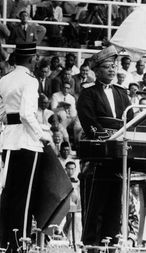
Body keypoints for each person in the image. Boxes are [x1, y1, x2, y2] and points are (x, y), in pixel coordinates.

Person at [0, 43, 53, 252]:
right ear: (30, 59)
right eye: (35, 57)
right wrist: (42, 135)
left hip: (9, 141)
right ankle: (21, 243)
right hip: (27, 142)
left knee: (10, 192)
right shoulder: (30, 81)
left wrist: (12, 124)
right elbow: (27, 114)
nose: (37, 61)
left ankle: (8, 242)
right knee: (25, 195)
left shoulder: (3, 80)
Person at [76, 46, 133, 251]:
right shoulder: (88, 93)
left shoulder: (122, 93)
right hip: (98, 157)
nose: (112, 70)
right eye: (108, 66)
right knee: (94, 207)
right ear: (97, 70)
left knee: (114, 208)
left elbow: (131, 120)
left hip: (118, 157)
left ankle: (111, 246)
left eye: (114, 66)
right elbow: (88, 120)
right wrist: (107, 138)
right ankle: (91, 246)